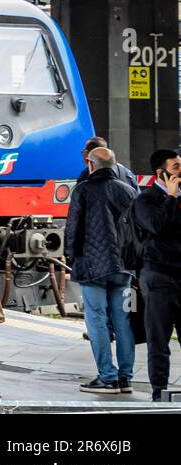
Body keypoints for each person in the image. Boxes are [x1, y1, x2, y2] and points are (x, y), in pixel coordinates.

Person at [66, 146, 138, 393]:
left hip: (93, 266)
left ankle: (107, 376)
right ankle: (125, 377)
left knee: (96, 320)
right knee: (123, 321)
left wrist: (72, 257)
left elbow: (73, 229)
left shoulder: (83, 190)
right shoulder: (129, 191)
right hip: (125, 269)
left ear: (91, 165)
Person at [132, 148, 181, 401]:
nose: (180, 172)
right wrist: (170, 198)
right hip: (158, 276)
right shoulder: (146, 200)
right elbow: (157, 226)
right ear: (160, 173)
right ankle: (159, 390)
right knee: (159, 338)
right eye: (175, 168)